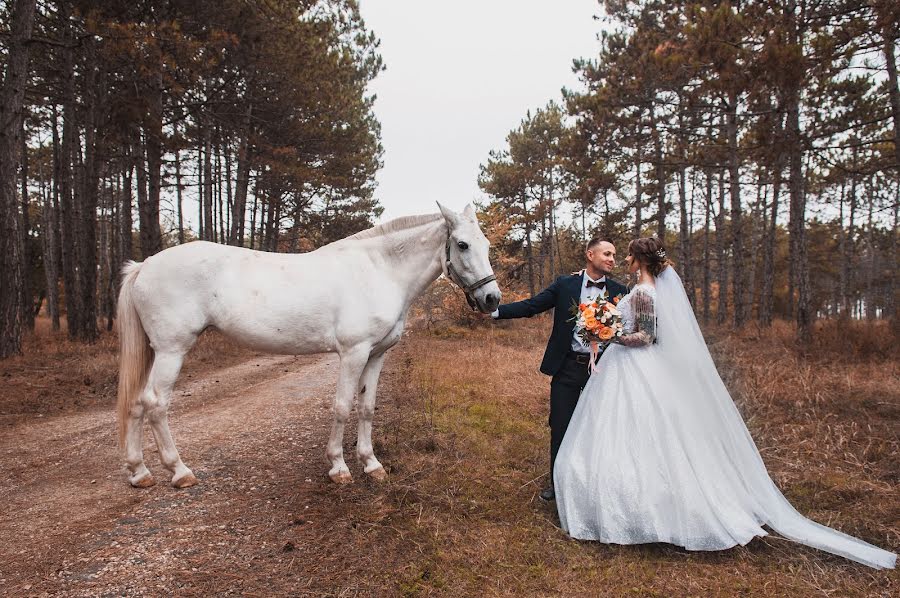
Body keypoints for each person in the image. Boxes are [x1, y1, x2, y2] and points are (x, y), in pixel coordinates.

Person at [553, 237, 896, 570]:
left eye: (628, 255)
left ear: (640, 260)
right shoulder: (644, 290)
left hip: (632, 367)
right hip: (625, 368)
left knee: (638, 433)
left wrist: (608, 334)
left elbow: (645, 337)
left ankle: (641, 509)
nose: (624, 261)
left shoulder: (643, 292)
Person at [491, 237, 628, 502]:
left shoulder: (620, 291)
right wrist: (496, 312)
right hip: (566, 368)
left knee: (596, 427)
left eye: (615, 255)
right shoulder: (566, 284)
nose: (612, 259)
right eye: (607, 254)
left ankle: (592, 485)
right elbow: (533, 305)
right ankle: (557, 483)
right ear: (590, 254)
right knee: (560, 425)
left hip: (602, 372)